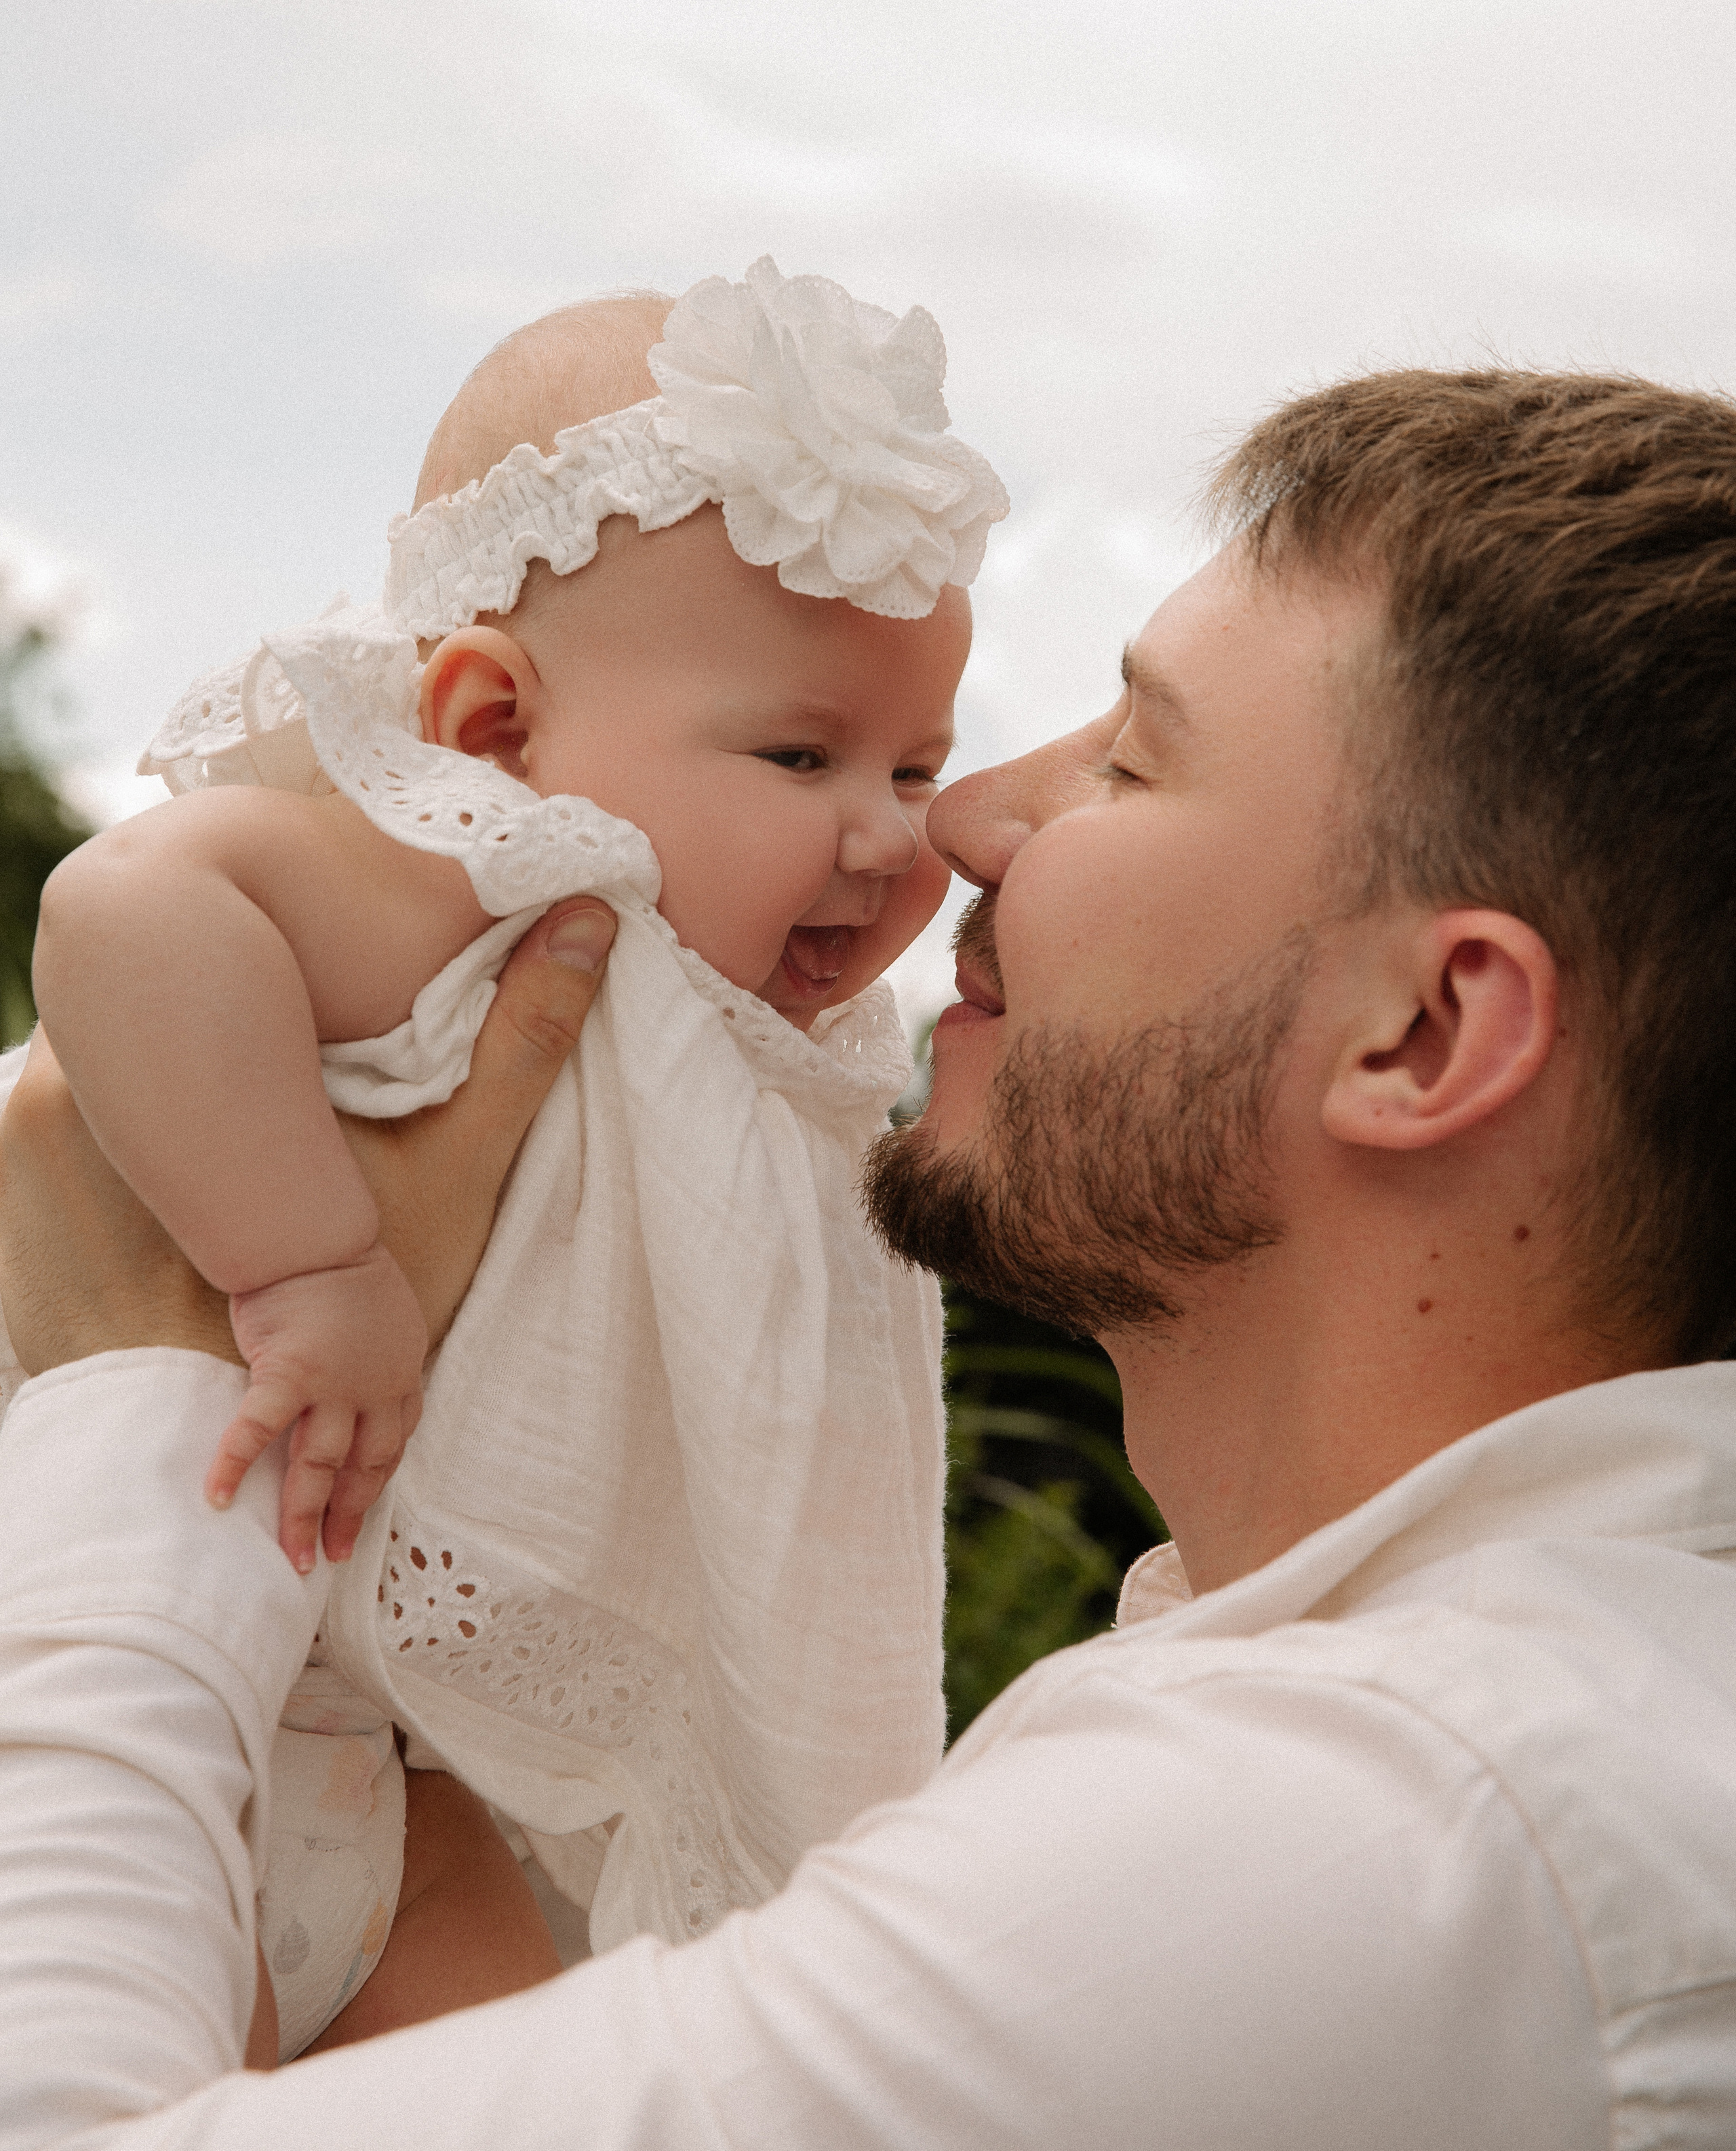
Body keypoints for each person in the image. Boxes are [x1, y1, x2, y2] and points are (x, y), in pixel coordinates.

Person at [4, 363, 1736, 2148]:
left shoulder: (1360, 1850)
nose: (969, 817)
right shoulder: (1494, 1742)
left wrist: (146, 1397)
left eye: (1129, 760)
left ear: (1427, 1035)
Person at [7, 257, 1006, 2060]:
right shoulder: (482, 873)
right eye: (803, 751)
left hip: (376, 1766)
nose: (887, 835)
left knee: (593, 2080)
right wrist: (308, 1261)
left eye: (921, 764)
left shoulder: (785, 1080)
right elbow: (119, 912)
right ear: (491, 726)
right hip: (121, 1648)